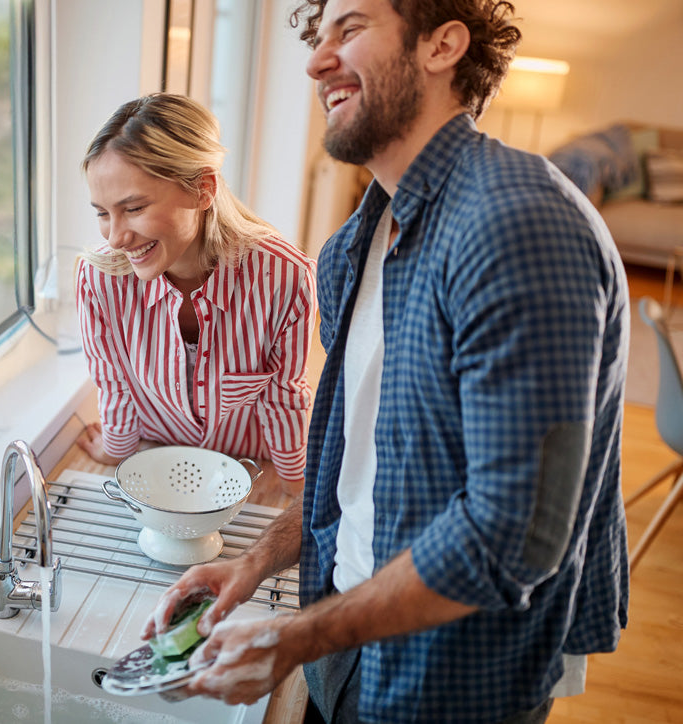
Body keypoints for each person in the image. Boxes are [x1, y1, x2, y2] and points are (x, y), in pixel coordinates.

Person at [140, 1, 630, 722]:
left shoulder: (520, 226)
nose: (315, 60)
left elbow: (512, 539)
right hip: (349, 628)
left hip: (459, 674)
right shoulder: (354, 244)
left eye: (352, 28)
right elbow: (353, 470)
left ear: (442, 45)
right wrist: (255, 566)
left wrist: (294, 638)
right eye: (318, 35)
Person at [75, 93, 318, 497]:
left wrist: (296, 487)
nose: (116, 237)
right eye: (102, 212)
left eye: (133, 208)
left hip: (249, 467)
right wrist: (117, 450)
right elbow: (113, 383)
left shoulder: (285, 276)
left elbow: (284, 394)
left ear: (203, 190)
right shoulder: (98, 279)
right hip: (155, 456)